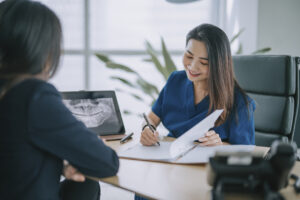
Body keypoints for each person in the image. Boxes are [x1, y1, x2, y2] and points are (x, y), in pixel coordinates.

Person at [0, 1, 119, 200]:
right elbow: (106, 162)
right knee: (88, 180)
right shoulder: (34, 95)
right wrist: (90, 152)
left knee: (83, 182)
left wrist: (61, 166)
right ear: (43, 49)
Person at [140, 23, 255, 147]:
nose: (193, 66)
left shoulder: (239, 102)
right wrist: (147, 128)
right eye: (189, 56)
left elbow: (245, 151)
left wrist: (220, 146)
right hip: (169, 157)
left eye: (204, 62)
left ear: (219, 65)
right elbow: (152, 118)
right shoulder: (175, 80)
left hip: (207, 163)